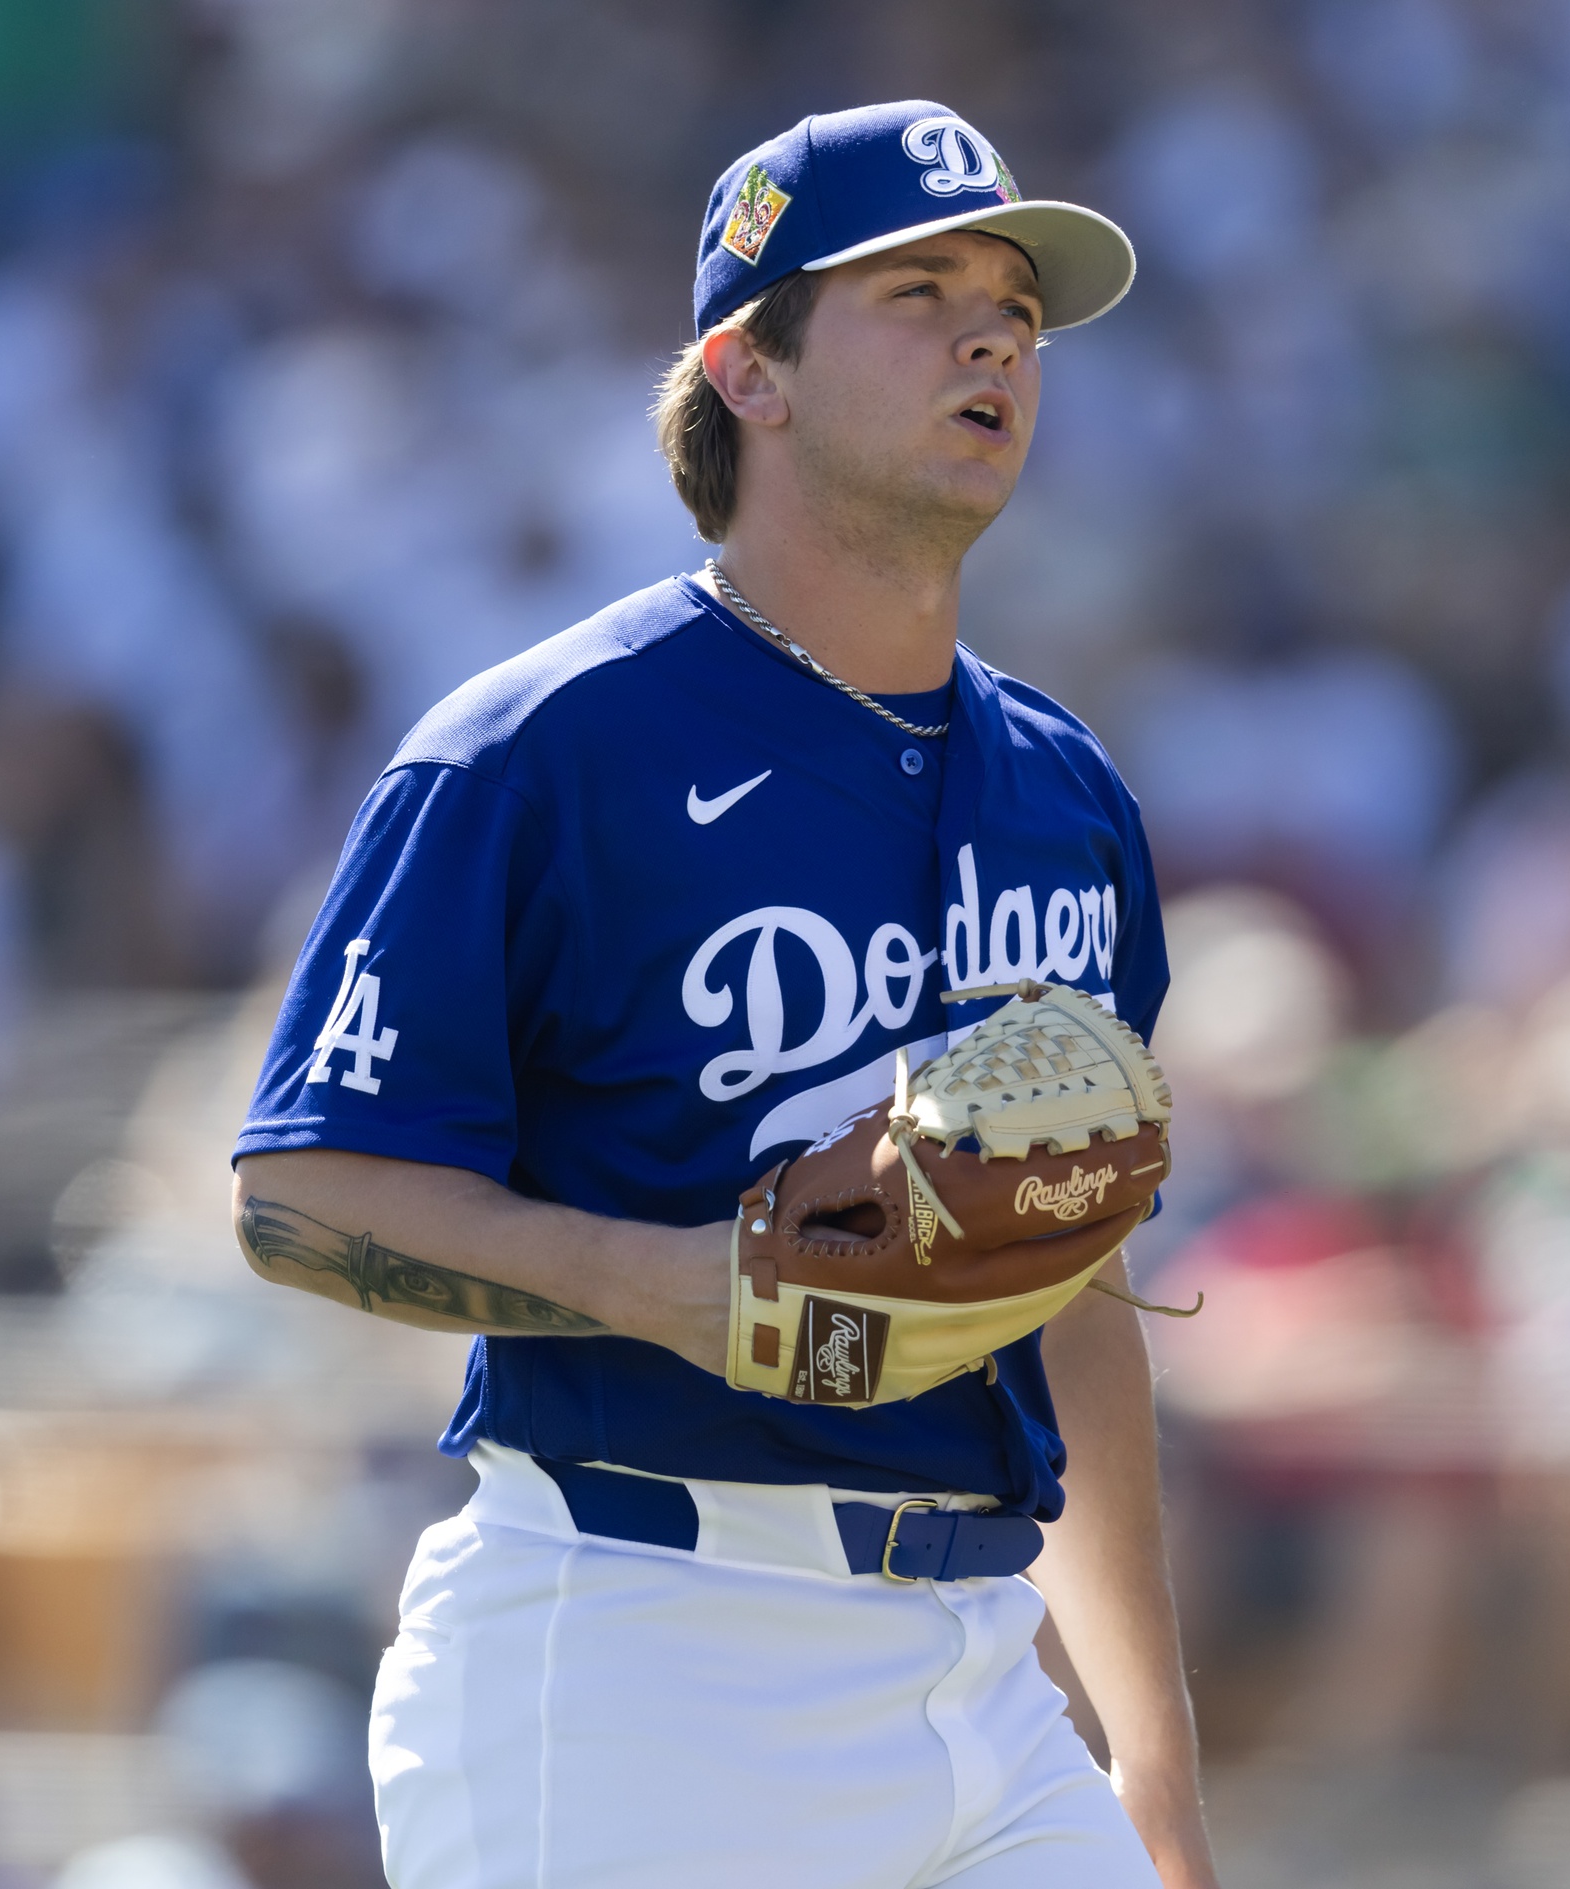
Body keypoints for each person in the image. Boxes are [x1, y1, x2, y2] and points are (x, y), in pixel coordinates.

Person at [231, 100, 1218, 1889]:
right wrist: (653, 1282)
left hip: (983, 1667)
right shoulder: (539, 751)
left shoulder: (1067, 794)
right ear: (744, 372)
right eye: (917, 291)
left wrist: (1148, 1759)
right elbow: (300, 1193)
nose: (995, 332)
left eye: (1013, 298)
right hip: (635, 1647)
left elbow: (1068, 1283)